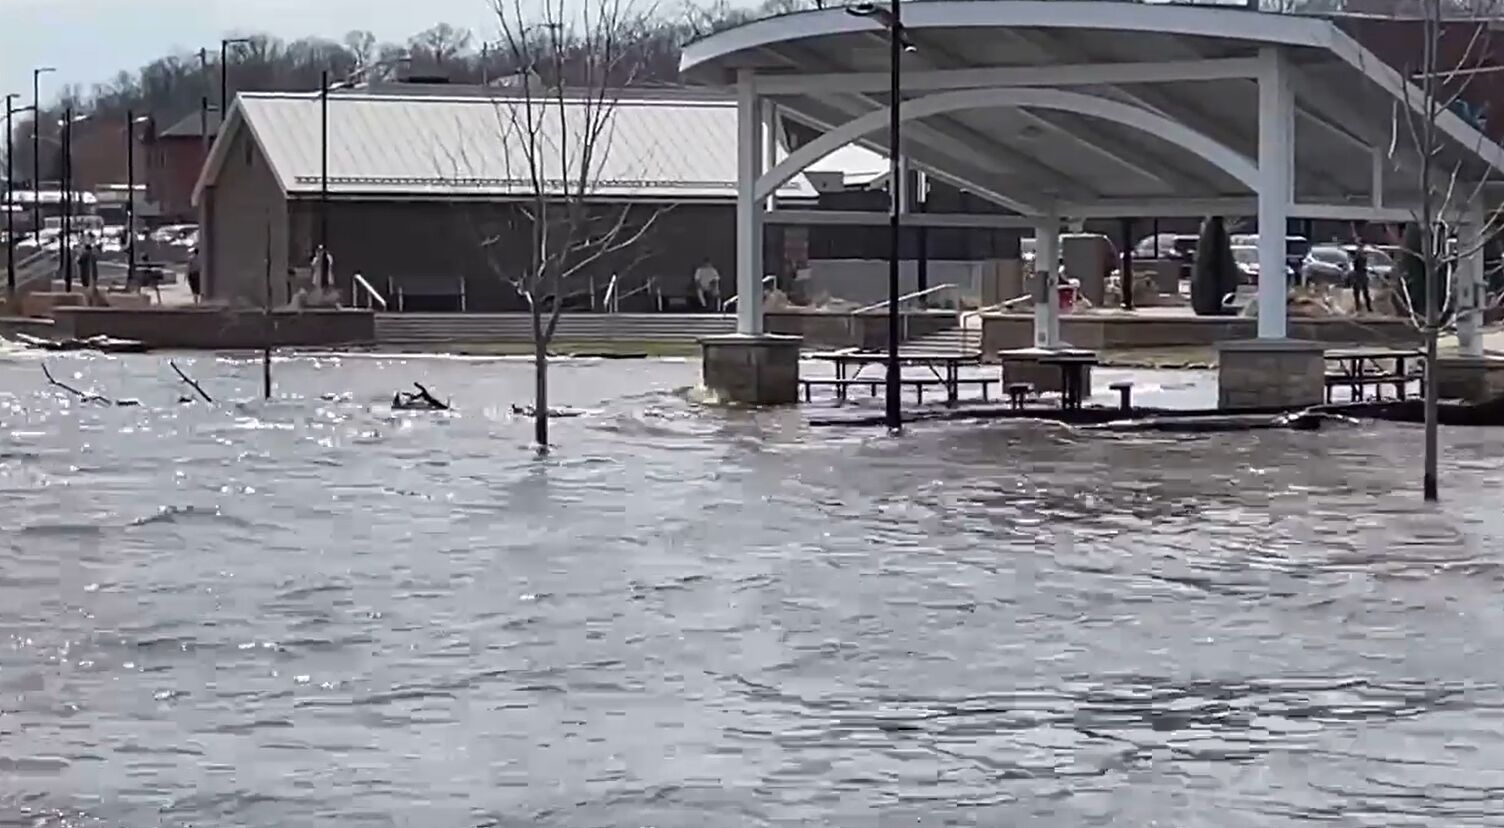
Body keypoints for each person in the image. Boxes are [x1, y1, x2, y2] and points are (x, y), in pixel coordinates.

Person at [1350, 241, 1372, 313]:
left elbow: (1356, 265)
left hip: (1359, 274)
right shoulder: (1362, 256)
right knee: (1362, 291)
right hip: (1361, 274)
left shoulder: (1360, 256)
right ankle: (1365, 307)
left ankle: (1361, 307)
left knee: (1360, 291)